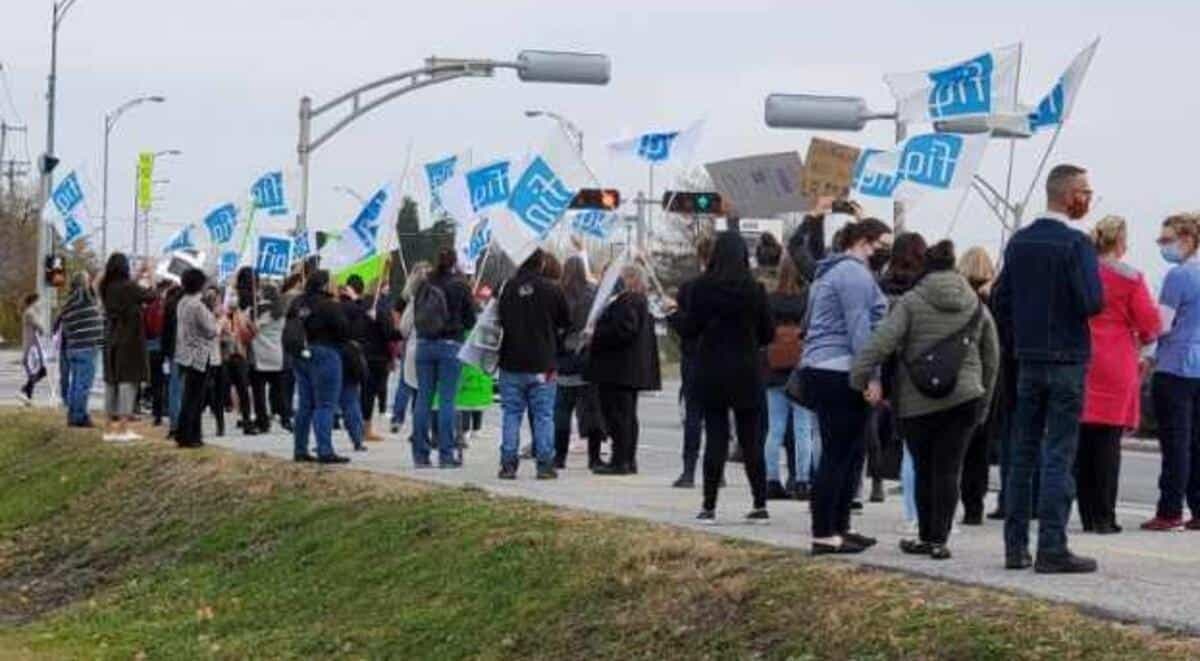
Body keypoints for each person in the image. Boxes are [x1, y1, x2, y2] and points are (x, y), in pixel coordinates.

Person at [851, 240, 1000, 560]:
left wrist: (859, 375)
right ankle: (939, 540)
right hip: (964, 398)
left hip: (917, 400)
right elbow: (992, 356)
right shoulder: (976, 304)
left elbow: (883, 342)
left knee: (924, 467)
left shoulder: (910, 302)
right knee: (949, 469)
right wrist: (983, 399)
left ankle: (924, 535)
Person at [993, 163, 1103, 574]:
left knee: (1021, 454)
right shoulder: (1076, 244)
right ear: (1071, 194)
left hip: (1027, 359)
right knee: (1058, 453)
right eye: (1086, 192)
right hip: (1067, 358)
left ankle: (1014, 546)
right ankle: (1051, 546)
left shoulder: (1018, 242)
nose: (1089, 199)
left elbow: (1001, 301)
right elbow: (1092, 301)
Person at [798, 217, 891, 555]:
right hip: (841, 370)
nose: (885, 251)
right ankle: (824, 532)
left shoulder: (832, 271)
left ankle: (839, 526)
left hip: (828, 368)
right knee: (837, 454)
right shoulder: (852, 274)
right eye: (882, 244)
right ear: (865, 241)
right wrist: (871, 376)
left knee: (850, 453)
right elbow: (859, 328)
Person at [671, 231, 774, 523]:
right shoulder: (755, 290)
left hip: (712, 370)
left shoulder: (702, 288)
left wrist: (672, 315)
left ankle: (709, 505)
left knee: (715, 438)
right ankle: (759, 503)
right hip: (747, 370)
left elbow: (691, 328)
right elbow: (768, 333)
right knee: (751, 440)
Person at [1072, 217, 1157, 533]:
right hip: (1117, 361)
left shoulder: (1081, 272)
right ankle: (1105, 517)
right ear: (1120, 242)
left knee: (1081, 443)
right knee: (1108, 444)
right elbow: (1149, 325)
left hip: (1081, 357)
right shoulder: (1132, 278)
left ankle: (1087, 514)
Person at [1144, 213, 1200, 532]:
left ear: (1188, 240)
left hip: (1176, 364)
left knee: (1176, 442)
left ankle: (1169, 510)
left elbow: (1161, 325)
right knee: (1197, 442)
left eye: (1167, 240)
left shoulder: (1179, 276)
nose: (1163, 247)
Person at [496, 249, 571, 479]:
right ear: (541, 264)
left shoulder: (506, 288)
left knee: (511, 414)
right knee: (544, 415)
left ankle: (508, 463)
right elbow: (565, 323)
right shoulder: (552, 289)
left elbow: (498, 319)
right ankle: (545, 464)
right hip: (543, 363)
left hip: (511, 361)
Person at [586, 264, 662, 475]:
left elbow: (624, 330)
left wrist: (596, 334)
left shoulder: (627, 301)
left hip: (619, 370)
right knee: (627, 416)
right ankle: (627, 459)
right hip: (629, 370)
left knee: (618, 416)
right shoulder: (640, 302)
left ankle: (620, 460)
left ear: (630, 279)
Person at [412, 249, 476, 468]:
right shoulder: (460, 285)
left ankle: (420, 455)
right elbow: (471, 321)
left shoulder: (424, 283)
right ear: (455, 263)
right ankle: (446, 455)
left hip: (424, 344)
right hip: (450, 345)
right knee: (447, 401)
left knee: (423, 399)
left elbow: (415, 312)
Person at [762, 255, 815, 500]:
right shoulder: (807, 299)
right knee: (803, 428)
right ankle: (803, 480)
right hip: (801, 369)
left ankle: (772, 480)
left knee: (775, 428)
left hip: (773, 370)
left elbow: (763, 332)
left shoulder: (770, 300)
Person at [956, 245, 999, 526]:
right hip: (987, 382)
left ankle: (953, 500)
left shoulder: (958, 299)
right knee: (979, 451)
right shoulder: (995, 302)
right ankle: (975, 506)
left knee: (955, 447)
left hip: (957, 380)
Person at [290, 270, 351, 464]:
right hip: (325, 353)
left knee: (305, 405)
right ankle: (325, 450)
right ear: (325, 285)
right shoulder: (329, 305)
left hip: (301, 354)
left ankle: (300, 449)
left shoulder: (298, 303)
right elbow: (344, 331)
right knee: (325, 404)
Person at [668, 235, 715, 487]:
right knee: (718, 415)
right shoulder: (730, 287)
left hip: (694, 356)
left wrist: (672, 315)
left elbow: (685, 327)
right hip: (720, 356)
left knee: (694, 415)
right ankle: (717, 471)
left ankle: (689, 470)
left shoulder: (689, 288)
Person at [554, 254, 606, 470]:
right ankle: (594, 458)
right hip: (587, 357)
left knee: (563, 410)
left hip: (565, 358)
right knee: (591, 411)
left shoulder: (558, 295)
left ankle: (560, 457)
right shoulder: (593, 294)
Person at [98, 253, 155, 441]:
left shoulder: (105, 287)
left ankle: (107, 429)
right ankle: (123, 428)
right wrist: (151, 275)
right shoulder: (129, 287)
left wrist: (139, 274)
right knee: (127, 383)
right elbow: (151, 296)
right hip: (129, 340)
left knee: (111, 383)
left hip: (111, 337)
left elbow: (129, 288)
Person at [174, 269, 218, 448]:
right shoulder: (197, 305)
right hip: (199, 355)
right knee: (195, 398)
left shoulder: (182, 302)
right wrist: (219, 322)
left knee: (188, 396)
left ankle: (186, 434)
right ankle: (191, 436)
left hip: (184, 353)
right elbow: (210, 330)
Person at [58, 273, 105, 427]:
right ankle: (79, 416)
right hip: (87, 347)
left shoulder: (68, 303)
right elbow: (97, 282)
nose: (90, 281)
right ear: (83, 284)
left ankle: (72, 414)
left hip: (74, 347)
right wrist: (104, 269)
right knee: (83, 384)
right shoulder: (84, 297)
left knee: (75, 383)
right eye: (87, 279)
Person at [248, 283, 287, 434]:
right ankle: (284, 417)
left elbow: (255, 328)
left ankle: (262, 421)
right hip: (276, 353)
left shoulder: (261, 310)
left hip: (260, 354)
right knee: (278, 389)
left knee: (259, 391)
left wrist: (246, 320)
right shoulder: (280, 312)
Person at [338, 279, 369, 452]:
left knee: (323, 404)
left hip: (334, 355)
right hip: (353, 356)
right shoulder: (357, 309)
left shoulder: (333, 307)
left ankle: (322, 441)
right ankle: (357, 438)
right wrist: (357, 300)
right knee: (351, 399)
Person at [18, 292, 47, 406]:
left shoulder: (32, 312)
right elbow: (40, 328)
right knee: (40, 372)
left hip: (32, 349)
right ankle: (24, 391)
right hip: (31, 350)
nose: (41, 304)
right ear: (34, 301)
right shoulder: (30, 313)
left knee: (35, 374)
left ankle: (27, 398)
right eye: (39, 301)